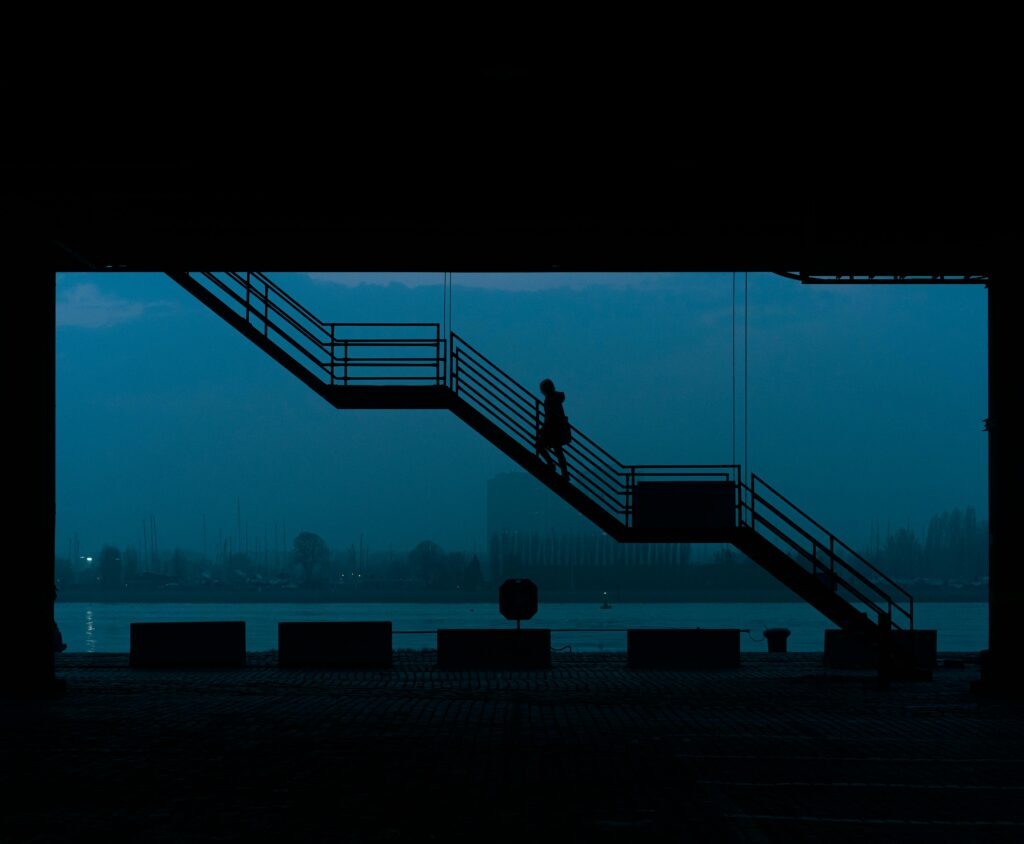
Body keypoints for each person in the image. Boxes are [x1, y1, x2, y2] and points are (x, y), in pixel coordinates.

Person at [536, 378, 571, 481]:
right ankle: (564, 473)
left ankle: (551, 465)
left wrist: (542, 430)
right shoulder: (555, 398)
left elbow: (549, 417)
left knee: (540, 446)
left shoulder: (550, 399)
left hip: (553, 430)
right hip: (558, 429)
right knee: (558, 451)